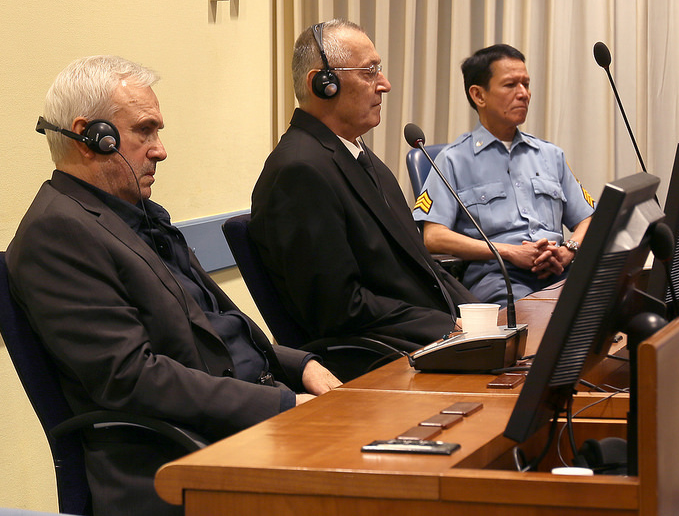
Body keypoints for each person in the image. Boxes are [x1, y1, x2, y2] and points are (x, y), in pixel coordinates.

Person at [6, 55, 341, 516]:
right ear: (90, 137)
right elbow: (132, 379)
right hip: (177, 458)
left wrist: (301, 365)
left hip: (242, 426)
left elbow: (219, 328)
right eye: (145, 130)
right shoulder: (58, 233)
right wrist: (282, 403)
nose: (159, 149)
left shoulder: (139, 217)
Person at [249, 19, 476, 379]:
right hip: (380, 359)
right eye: (369, 72)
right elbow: (339, 308)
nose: (384, 85)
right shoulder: (299, 171)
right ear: (323, 84)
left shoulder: (358, 156)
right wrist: (447, 329)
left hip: (424, 340)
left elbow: (423, 268)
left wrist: (484, 317)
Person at [413, 44, 595, 306]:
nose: (524, 94)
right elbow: (433, 237)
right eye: (511, 85)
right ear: (479, 95)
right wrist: (509, 252)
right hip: (499, 278)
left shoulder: (550, 155)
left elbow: (588, 219)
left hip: (559, 273)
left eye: (526, 84)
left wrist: (568, 251)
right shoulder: (453, 160)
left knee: (619, 300)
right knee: (543, 315)